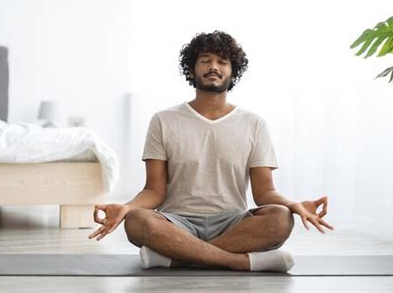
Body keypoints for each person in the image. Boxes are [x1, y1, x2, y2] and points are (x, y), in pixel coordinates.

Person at [88, 31, 334, 272]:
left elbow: (265, 192)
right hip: (176, 221)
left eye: (222, 62)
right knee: (137, 221)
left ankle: (180, 257)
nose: (213, 66)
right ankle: (240, 262)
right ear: (192, 69)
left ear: (232, 71)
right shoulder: (163, 120)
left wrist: (293, 205)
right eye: (205, 60)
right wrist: (127, 208)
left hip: (234, 224)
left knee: (281, 218)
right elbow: (154, 190)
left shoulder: (254, 124)